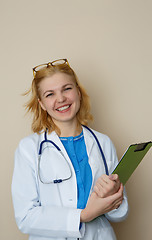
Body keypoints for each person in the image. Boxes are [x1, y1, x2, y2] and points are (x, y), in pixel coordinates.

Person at [11, 58, 128, 240]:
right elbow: (25, 217)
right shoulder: (29, 149)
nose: (61, 99)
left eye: (67, 89)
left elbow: (120, 214)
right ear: (41, 103)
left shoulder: (103, 142)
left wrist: (111, 197)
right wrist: (82, 216)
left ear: (78, 92)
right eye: (50, 94)